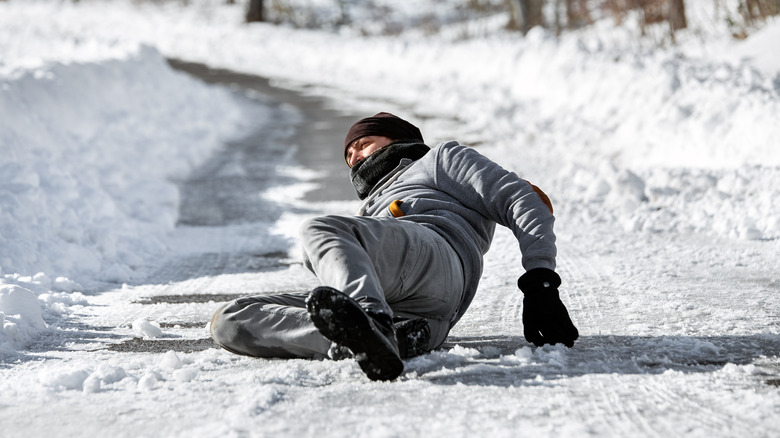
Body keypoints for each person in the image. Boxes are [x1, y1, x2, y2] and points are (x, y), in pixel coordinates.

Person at [209, 112, 579, 381]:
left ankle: (370, 319)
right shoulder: (368, 209)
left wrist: (540, 281)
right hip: (423, 314)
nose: (353, 156)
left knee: (319, 230)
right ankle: (366, 339)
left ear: (397, 139)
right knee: (230, 319)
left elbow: (524, 199)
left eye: (362, 143)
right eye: (348, 155)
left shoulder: (439, 160)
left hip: (437, 256)